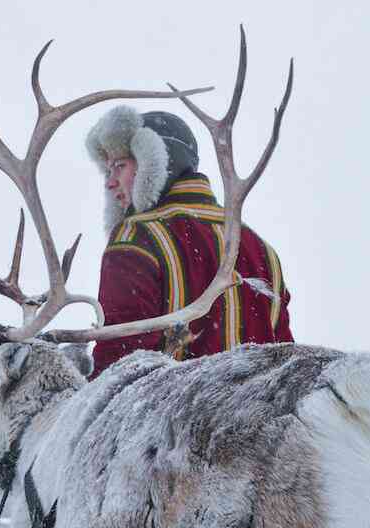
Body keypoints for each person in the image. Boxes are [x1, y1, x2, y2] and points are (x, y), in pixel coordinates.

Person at [86, 106, 293, 379]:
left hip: (173, 420)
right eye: (107, 170)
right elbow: (286, 360)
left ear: (154, 163)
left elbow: (119, 367)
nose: (109, 183)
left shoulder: (135, 238)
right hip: (264, 417)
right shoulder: (260, 249)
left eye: (120, 166)